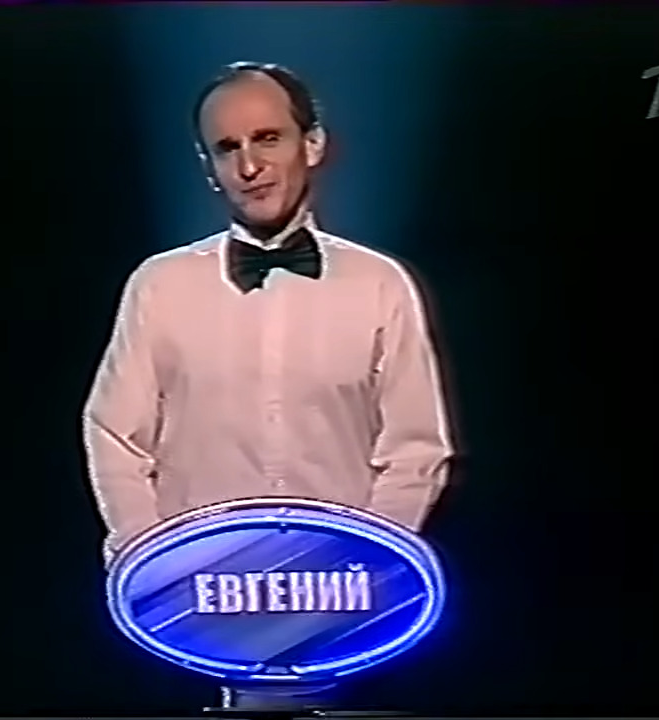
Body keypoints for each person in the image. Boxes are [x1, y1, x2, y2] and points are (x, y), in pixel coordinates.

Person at [83, 59, 455, 587]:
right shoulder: (160, 285)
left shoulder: (379, 283)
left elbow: (415, 450)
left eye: (268, 139)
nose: (249, 166)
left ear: (313, 144)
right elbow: (114, 437)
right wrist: (157, 560)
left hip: (341, 587)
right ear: (208, 167)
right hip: (199, 588)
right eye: (227, 148)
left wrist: (367, 558)